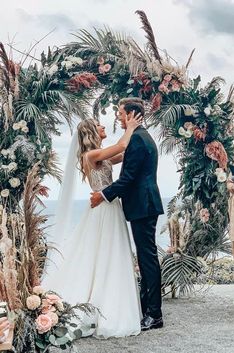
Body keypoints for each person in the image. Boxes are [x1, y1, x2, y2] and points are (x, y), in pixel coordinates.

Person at [43, 113, 143, 338]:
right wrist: (131, 126)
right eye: (99, 125)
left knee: (106, 252)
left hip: (110, 206)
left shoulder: (100, 156)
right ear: (91, 132)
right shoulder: (91, 155)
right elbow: (121, 144)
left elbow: (124, 154)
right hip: (103, 210)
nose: (103, 126)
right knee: (104, 252)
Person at [91, 98, 164, 331]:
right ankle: (146, 308)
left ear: (132, 114)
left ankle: (154, 314)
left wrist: (102, 195)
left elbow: (127, 179)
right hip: (144, 205)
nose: (118, 117)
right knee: (145, 258)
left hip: (143, 205)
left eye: (121, 113)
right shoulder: (140, 137)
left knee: (147, 259)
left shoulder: (138, 140)